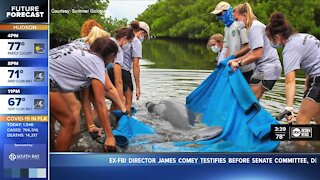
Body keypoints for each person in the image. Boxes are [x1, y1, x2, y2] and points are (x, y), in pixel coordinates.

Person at [50, 37, 118, 152]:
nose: (113, 61)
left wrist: (91, 125)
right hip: (42, 78)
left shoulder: (84, 51)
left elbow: (85, 98)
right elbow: (100, 102)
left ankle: (50, 153)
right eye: (113, 57)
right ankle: (60, 163)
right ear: (110, 55)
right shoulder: (96, 63)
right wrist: (110, 136)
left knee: (50, 121)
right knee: (68, 121)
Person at [265, 12, 320, 125]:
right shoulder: (302, 37)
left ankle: (298, 143)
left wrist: (289, 108)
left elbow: (290, 82)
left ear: (277, 37)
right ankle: (315, 143)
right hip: (315, 77)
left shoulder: (290, 49)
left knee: (301, 120)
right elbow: (313, 62)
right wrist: (306, 90)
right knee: (317, 117)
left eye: (270, 39)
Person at [228, 2, 282, 100]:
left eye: (236, 19)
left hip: (266, 69)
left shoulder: (255, 27)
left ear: (244, 16)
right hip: (268, 69)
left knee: (248, 104)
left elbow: (257, 54)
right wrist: (236, 60)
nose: (235, 23)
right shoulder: (252, 27)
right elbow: (252, 52)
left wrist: (239, 63)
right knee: (251, 103)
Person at [211, 1, 254, 83]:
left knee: (243, 93)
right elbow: (227, 48)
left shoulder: (239, 25)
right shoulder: (226, 28)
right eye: (217, 15)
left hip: (245, 67)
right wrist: (226, 62)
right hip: (233, 67)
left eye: (220, 14)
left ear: (228, 12)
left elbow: (248, 46)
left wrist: (234, 57)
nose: (219, 17)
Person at [121, 21, 150, 113]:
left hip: (109, 71)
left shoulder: (122, 37)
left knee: (117, 100)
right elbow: (136, 65)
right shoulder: (136, 41)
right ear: (142, 32)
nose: (143, 38)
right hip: (123, 72)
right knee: (128, 103)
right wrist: (138, 87)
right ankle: (125, 124)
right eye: (144, 36)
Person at [107, 28, 135, 111]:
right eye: (129, 42)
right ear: (124, 38)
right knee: (122, 100)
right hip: (94, 74)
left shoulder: (108, 40)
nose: (128, 45)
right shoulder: (118, 50)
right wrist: (121, 102)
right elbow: (118, 81)